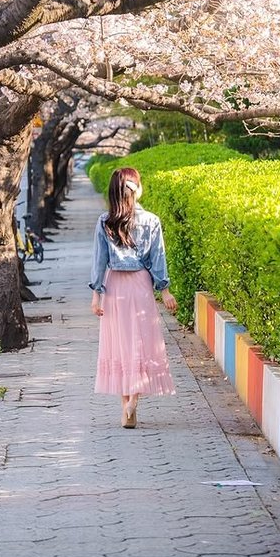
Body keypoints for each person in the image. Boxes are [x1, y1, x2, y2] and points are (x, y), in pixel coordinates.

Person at [90, 166, 177, 427]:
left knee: (119, 344)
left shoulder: (106, 221)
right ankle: (133, 402)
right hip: (140, 285)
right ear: (136, 189)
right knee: (139, 341)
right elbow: (157, 259)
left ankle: (125, 409)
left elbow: (99, 261)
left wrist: (96, 296)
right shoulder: (151, 220)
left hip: (114, 286)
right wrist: (165, 290)